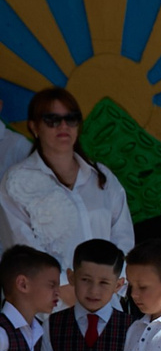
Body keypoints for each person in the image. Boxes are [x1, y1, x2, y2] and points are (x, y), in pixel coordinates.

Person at [1, 89, 133, 276]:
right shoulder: (16, 182)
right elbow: (23, 249)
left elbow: (123, 236)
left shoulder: (102, 177)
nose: (63, 125)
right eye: (52, 119)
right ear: (34, 127)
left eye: (71, 118)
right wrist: (64, 287)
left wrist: (114, 281)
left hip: (106, 297)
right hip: (51, 300)